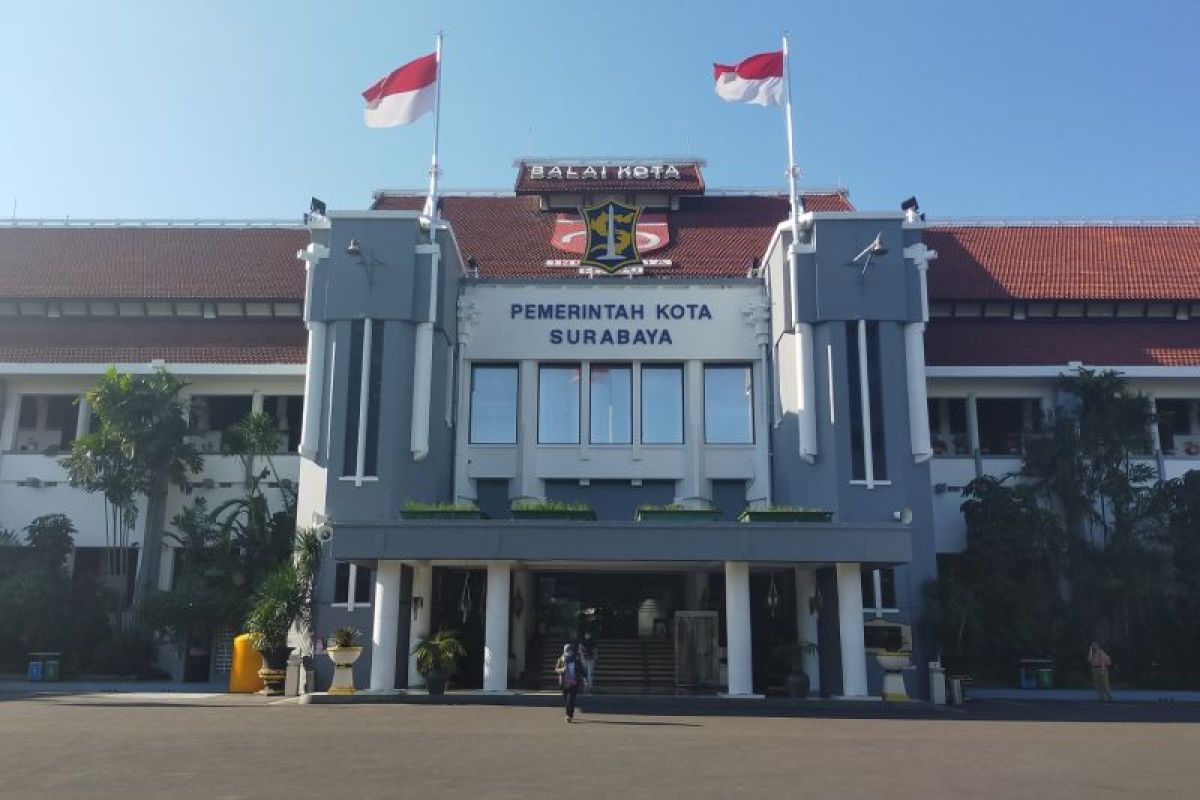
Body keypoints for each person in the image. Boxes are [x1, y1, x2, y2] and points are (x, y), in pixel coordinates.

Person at [554, 642, 588, 722]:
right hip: (564, 682)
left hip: (574, 682)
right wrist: (562, 670)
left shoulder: (576, 659)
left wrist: (585, 678)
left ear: (573, 651)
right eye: (567, 651)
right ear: (565, 651)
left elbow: (581, 669)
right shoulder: (561, 659)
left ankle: (569, 715)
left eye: (570, 651)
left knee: (571, 699)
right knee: (566, 699)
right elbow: (556, 669)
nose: (569, 653)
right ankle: (569, 711)